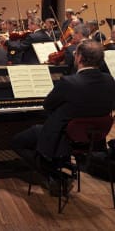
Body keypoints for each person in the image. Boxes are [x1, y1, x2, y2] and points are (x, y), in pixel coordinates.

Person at [12, 41, 115, 195]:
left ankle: (55, 175)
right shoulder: (109, 80)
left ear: (79, 58)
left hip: (63, 136)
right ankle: (58, 166)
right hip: (93, 137)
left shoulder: (69, 82)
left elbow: (48, 105)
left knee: (17, 142)